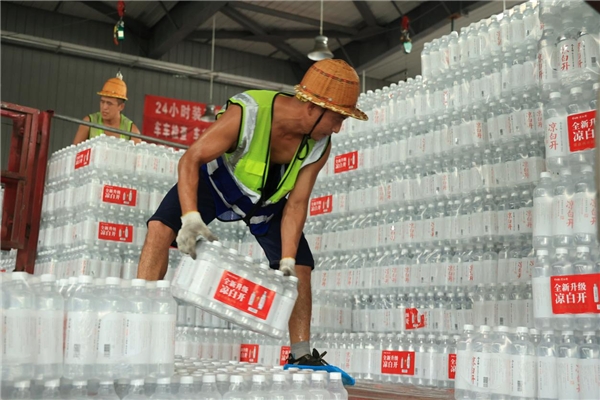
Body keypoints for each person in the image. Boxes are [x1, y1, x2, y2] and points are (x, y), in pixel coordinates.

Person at [137, 59, 367, 366]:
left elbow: (297, 204)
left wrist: (285, 260)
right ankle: (139, 329)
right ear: (314, 107)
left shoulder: (319, 144)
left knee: (300, 265)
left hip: (267, 203)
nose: (337, 128)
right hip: (217, 182)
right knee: (160, 228)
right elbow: (191, 159)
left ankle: (301, 355)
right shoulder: (250, 112)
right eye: (337, 118)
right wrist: (190, 218)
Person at [73, 76, 141, 145]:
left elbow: (138, 155)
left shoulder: (132, 131)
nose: (104, 107)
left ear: (121, 107)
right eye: (102, 102)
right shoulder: (88, 123)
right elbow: (74, 152)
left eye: (109, 103)